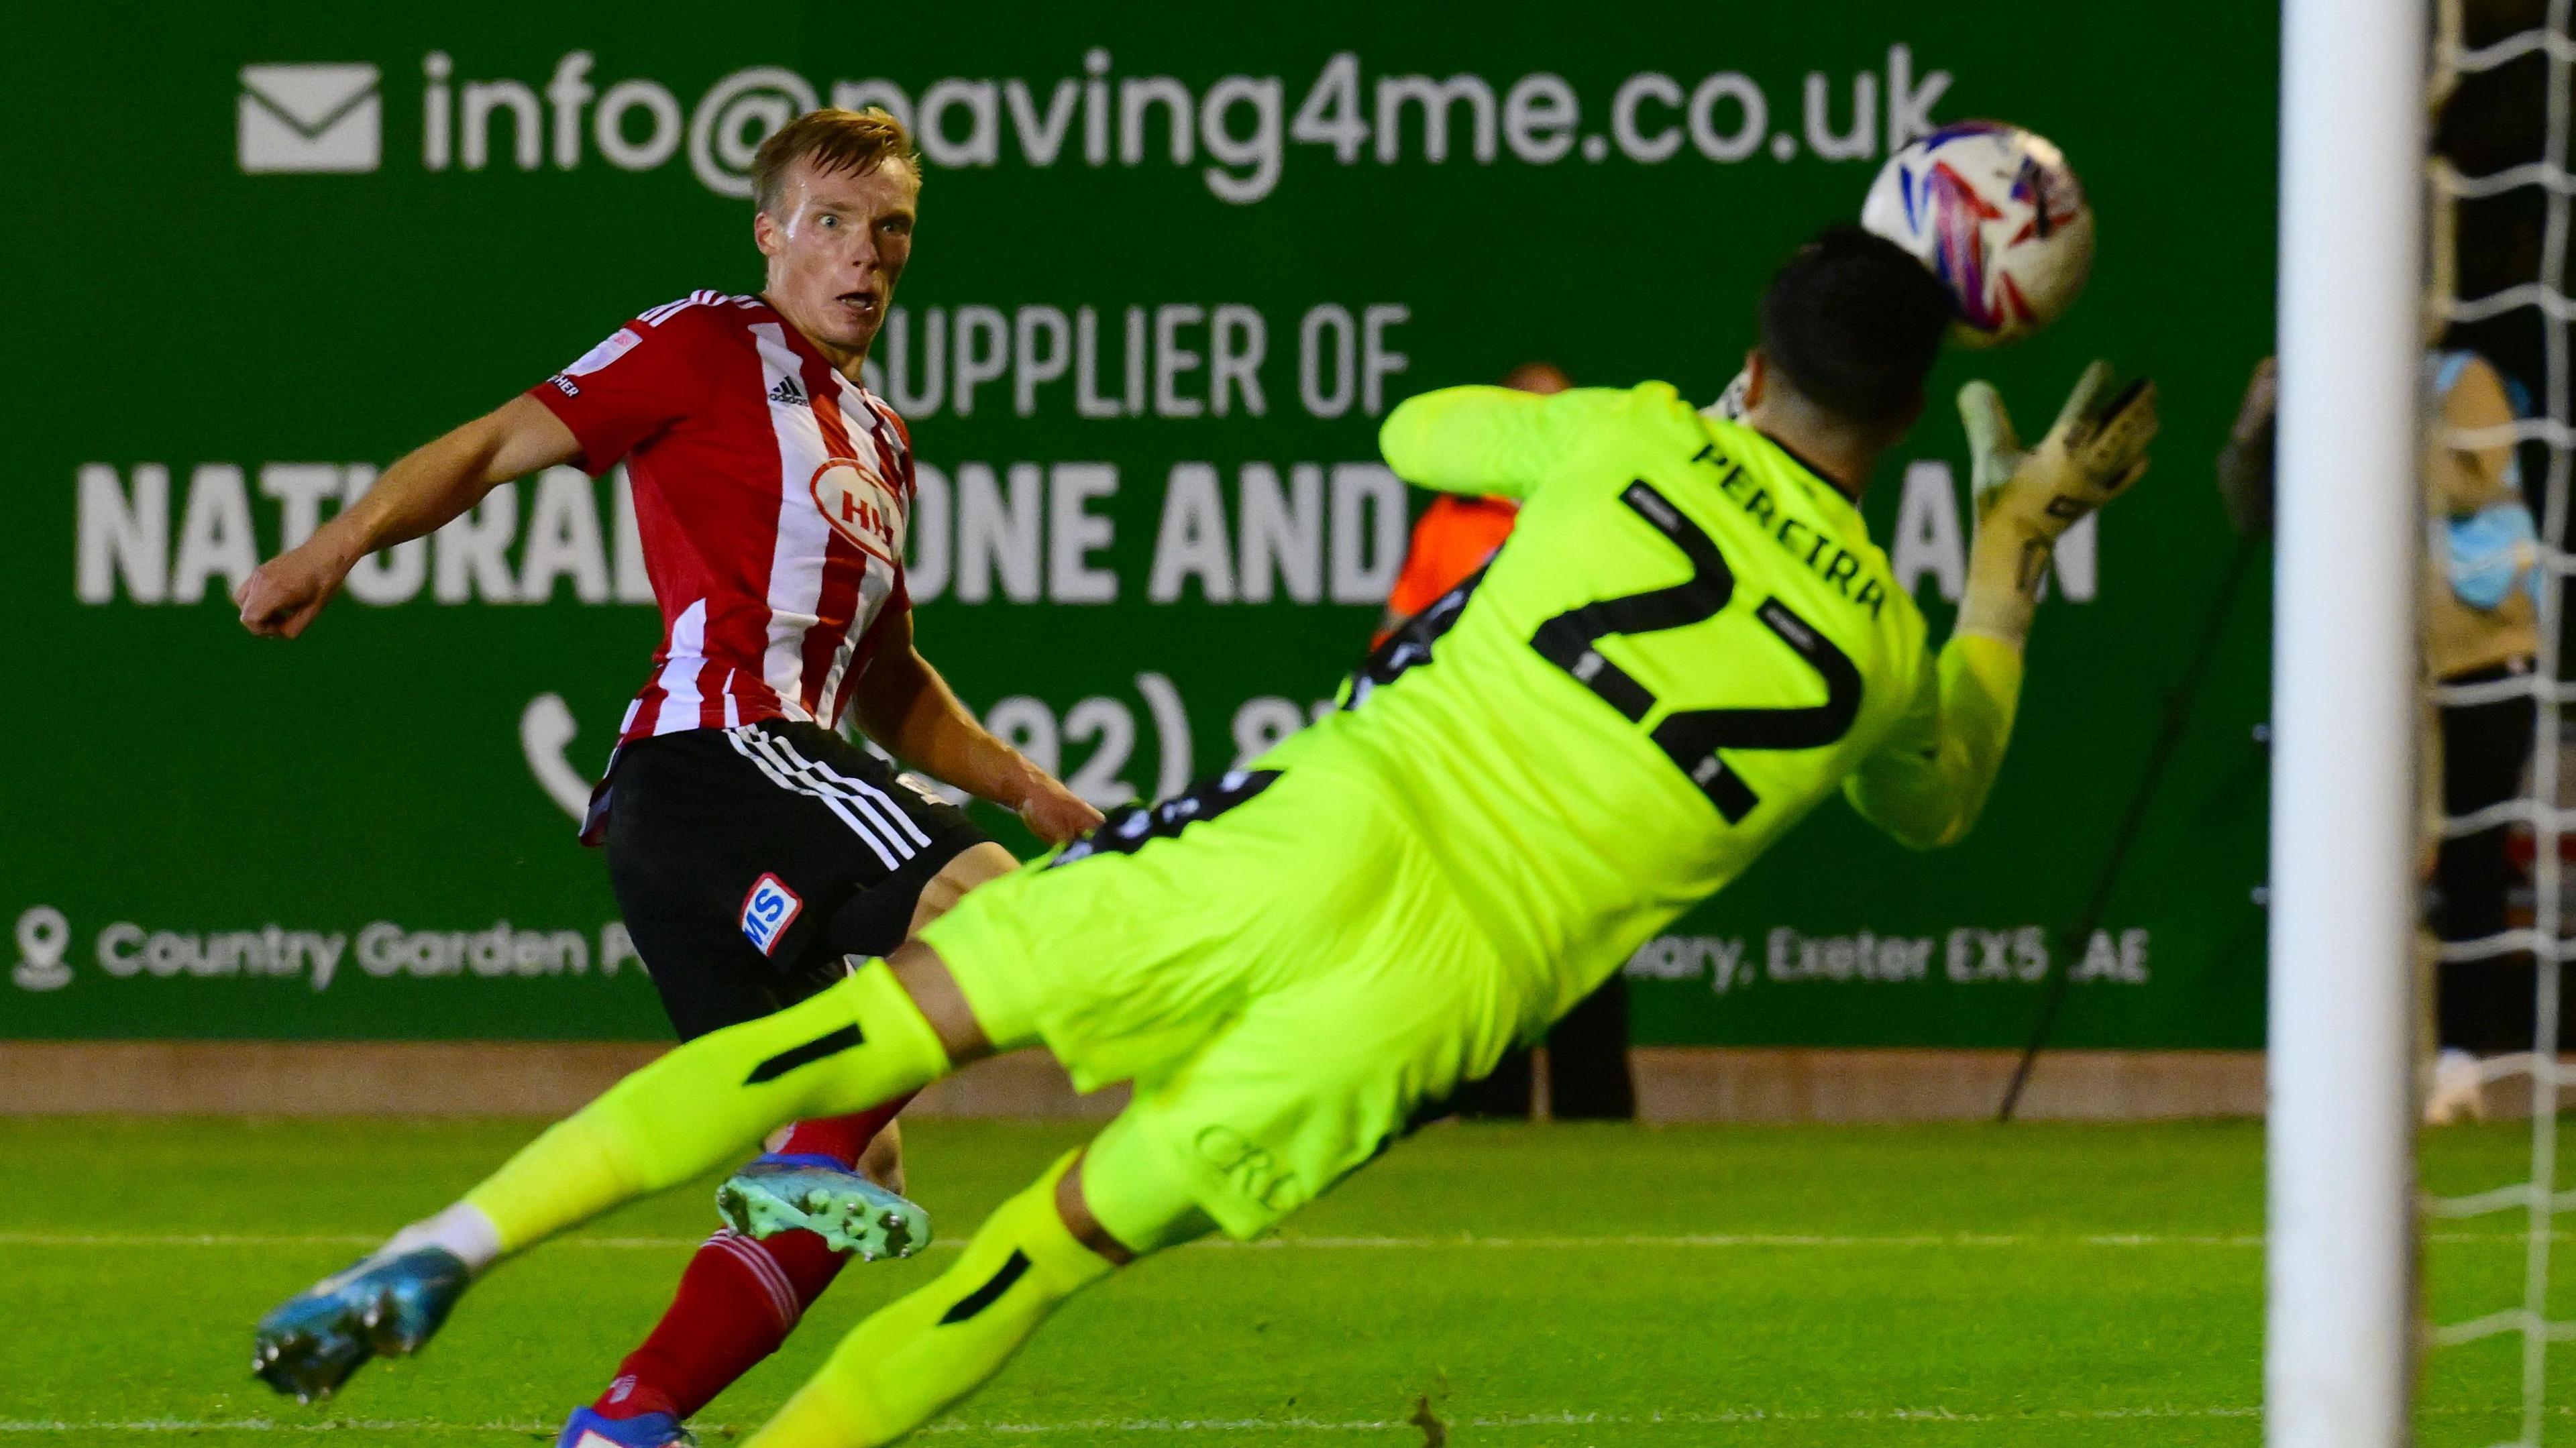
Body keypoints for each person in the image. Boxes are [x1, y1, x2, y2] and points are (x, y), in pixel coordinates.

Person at [252, 225, 2158, 1447]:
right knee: (1038, 1256)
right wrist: (2009, 549)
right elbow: (1950, 787)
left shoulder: (1633, 439)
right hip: (1441, 992)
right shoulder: (1890, 649)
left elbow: (1423, 436)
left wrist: (1630, 423)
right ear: (1910, 415)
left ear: (1756, 364)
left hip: (1324, 824)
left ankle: (447, 1240)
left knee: (868, 1034)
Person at [233, 109, 1102, 1447]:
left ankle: (627, 1420)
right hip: (719, 759)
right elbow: (489, 442)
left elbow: (887, 682)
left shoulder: (879, 435)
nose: (861, 256)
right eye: (828, 223)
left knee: (849, 1159)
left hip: (719, 807)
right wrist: (335, 547)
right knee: (990, 908)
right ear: (768, 236)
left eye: (889, 229)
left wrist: (1027, 785)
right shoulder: (709, 342)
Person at [2218, 350, 2540, 1123]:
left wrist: (2361, 428)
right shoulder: (2305, 372)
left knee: (2471, 862)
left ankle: (2459, 1062)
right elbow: (2250, 506)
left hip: (2481, 656)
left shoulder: (2462, 378)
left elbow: (2473, 481)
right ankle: (2366, 1058)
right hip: (2368, 666)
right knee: (2365, 865)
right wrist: (2264, 421)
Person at [1373, 359, 1633, 1121]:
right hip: (1482, 782)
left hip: (1585, 783)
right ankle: (1491, 1128)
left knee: (1591, 975)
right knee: (1490, 974)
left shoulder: (1614, 516)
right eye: (1533, 416)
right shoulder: (1452, 524)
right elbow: (1394, 648)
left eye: (1562, 414)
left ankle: (1602, 1134)